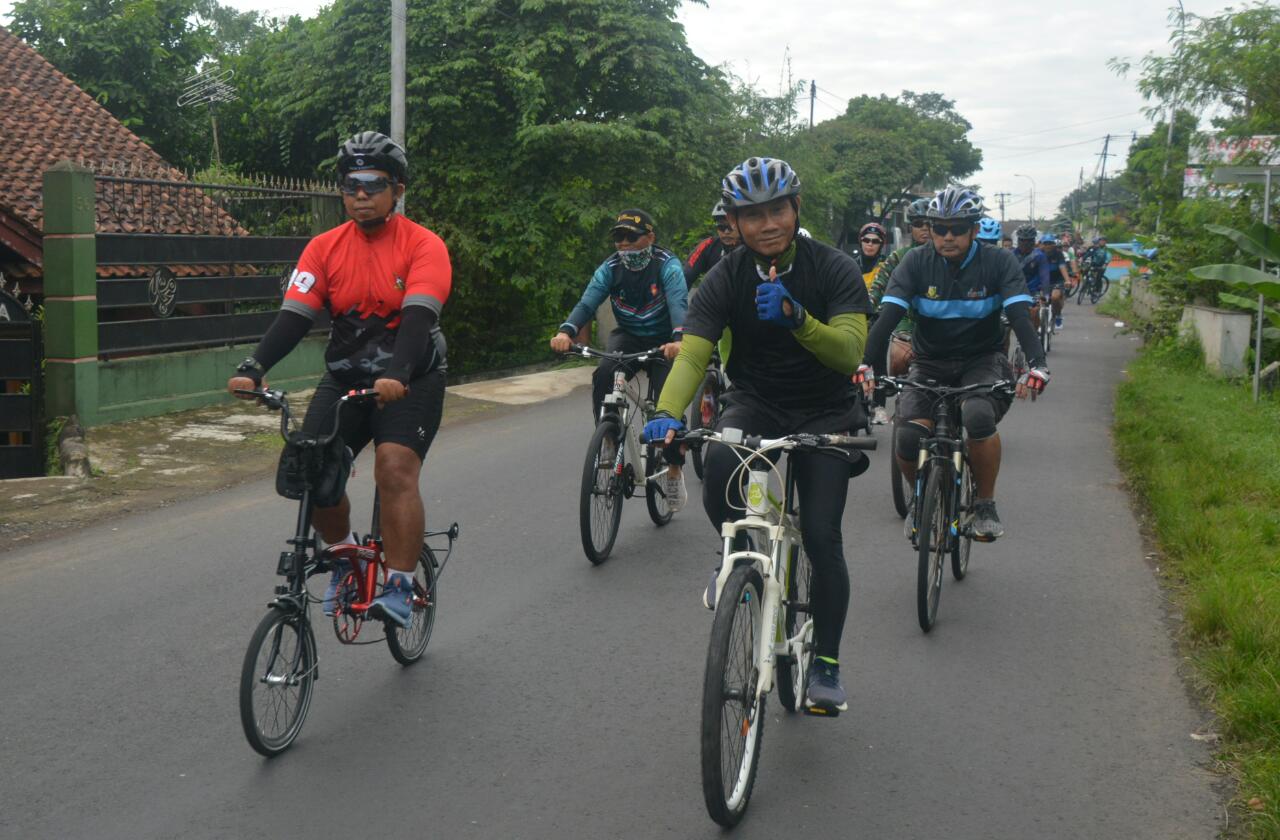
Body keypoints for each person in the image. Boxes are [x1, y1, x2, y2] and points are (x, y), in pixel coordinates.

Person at [642, 156, 873, 715]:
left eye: (777, 210)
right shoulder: (726, 276)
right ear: (736, 222)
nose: (767, 224)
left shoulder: (834, 268)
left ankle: (827, 664)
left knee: (821, 533)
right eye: (753, 215)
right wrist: (669, 411)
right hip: (758, 400)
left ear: (796, 209)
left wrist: (798, 319)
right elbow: (695, 351)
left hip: (827, 409)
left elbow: (849, 352)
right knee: (720, 462)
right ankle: (743, 558)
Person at [226, 131, 451, 628]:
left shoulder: (424, 246)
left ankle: (398, 582)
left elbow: (417, 320)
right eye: (351, 185)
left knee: (393, 468)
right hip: (347, 377)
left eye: (373, 183)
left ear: (397, 189)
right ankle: (348, 559)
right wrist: (254, 367)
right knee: (313, 469)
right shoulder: (323, 248)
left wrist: (397, 374)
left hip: (411, 379)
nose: (361, 194)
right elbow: (295, 317)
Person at [855, 187, 1049, 542]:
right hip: (929, 361)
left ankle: (985, 503)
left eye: (957, 228)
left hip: (982, 360)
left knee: (977, 416)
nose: (947, 236)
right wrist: (867, 365)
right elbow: (887, 319)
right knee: (909, 436)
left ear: (974, 230)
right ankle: (919, 496)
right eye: (939, 228)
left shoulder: (998, 262)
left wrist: (1037, 364)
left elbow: (1020, 317)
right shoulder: (914, 262)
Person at [549, 209, 689, 509]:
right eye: (617, 237)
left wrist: (679, 339)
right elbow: (587, 302)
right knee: (603, 374)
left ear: (650, 238)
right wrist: (565, 332)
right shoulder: (609, 268)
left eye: (630, 237)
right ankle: (609, 438)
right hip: (628, 335)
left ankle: (674, 467)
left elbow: (678, 303)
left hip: (665, 341)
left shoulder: (668, 266)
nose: (623, 243)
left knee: (669, 403)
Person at [867, 198, 930, 423]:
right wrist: (868, 307)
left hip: (939, 327)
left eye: (929, 223)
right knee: (897, 358)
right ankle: (902, 398)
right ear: (910, 228)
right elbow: (878, 286)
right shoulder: (898, 257)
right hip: (905, 324)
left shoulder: (947, 256)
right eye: (918, 223)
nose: (924, 228)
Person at [684, 201, 739, 288]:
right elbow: (686, 275)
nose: (726, 232)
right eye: (721, 227)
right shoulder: (708, 245)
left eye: (731, 227)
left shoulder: (753, 245)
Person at [1013, 225, 1051, 329]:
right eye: (1022, 240)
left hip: (1034, 291)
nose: (1025, 243)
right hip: (1015, 290)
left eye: (1029, 241)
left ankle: (1032, 337)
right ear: (1018, 240)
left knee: (1033, 312)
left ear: (1033, 241)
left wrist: (1046, 294)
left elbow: (1045, 277)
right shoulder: (1011, 255)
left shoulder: (1040, 256)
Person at [1039, 233, 1071, 330]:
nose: (1048, 246)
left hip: (1057, 280)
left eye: (1050, 243)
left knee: (1055, 297)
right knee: (1039, 302)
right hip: (1043, 281)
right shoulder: (1038, 254)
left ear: (1054, 244)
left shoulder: (1058, 254)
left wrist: (1067, 280)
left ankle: (1057, 315)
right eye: (1046, 243)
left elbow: (1062, 267)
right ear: (1042, 244)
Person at [854, 221, 888, 291]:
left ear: (881, 245)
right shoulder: (850, 265)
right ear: (861, 242)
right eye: (866, 240)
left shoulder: (887, 265)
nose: (870, 244)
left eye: (875, 241)